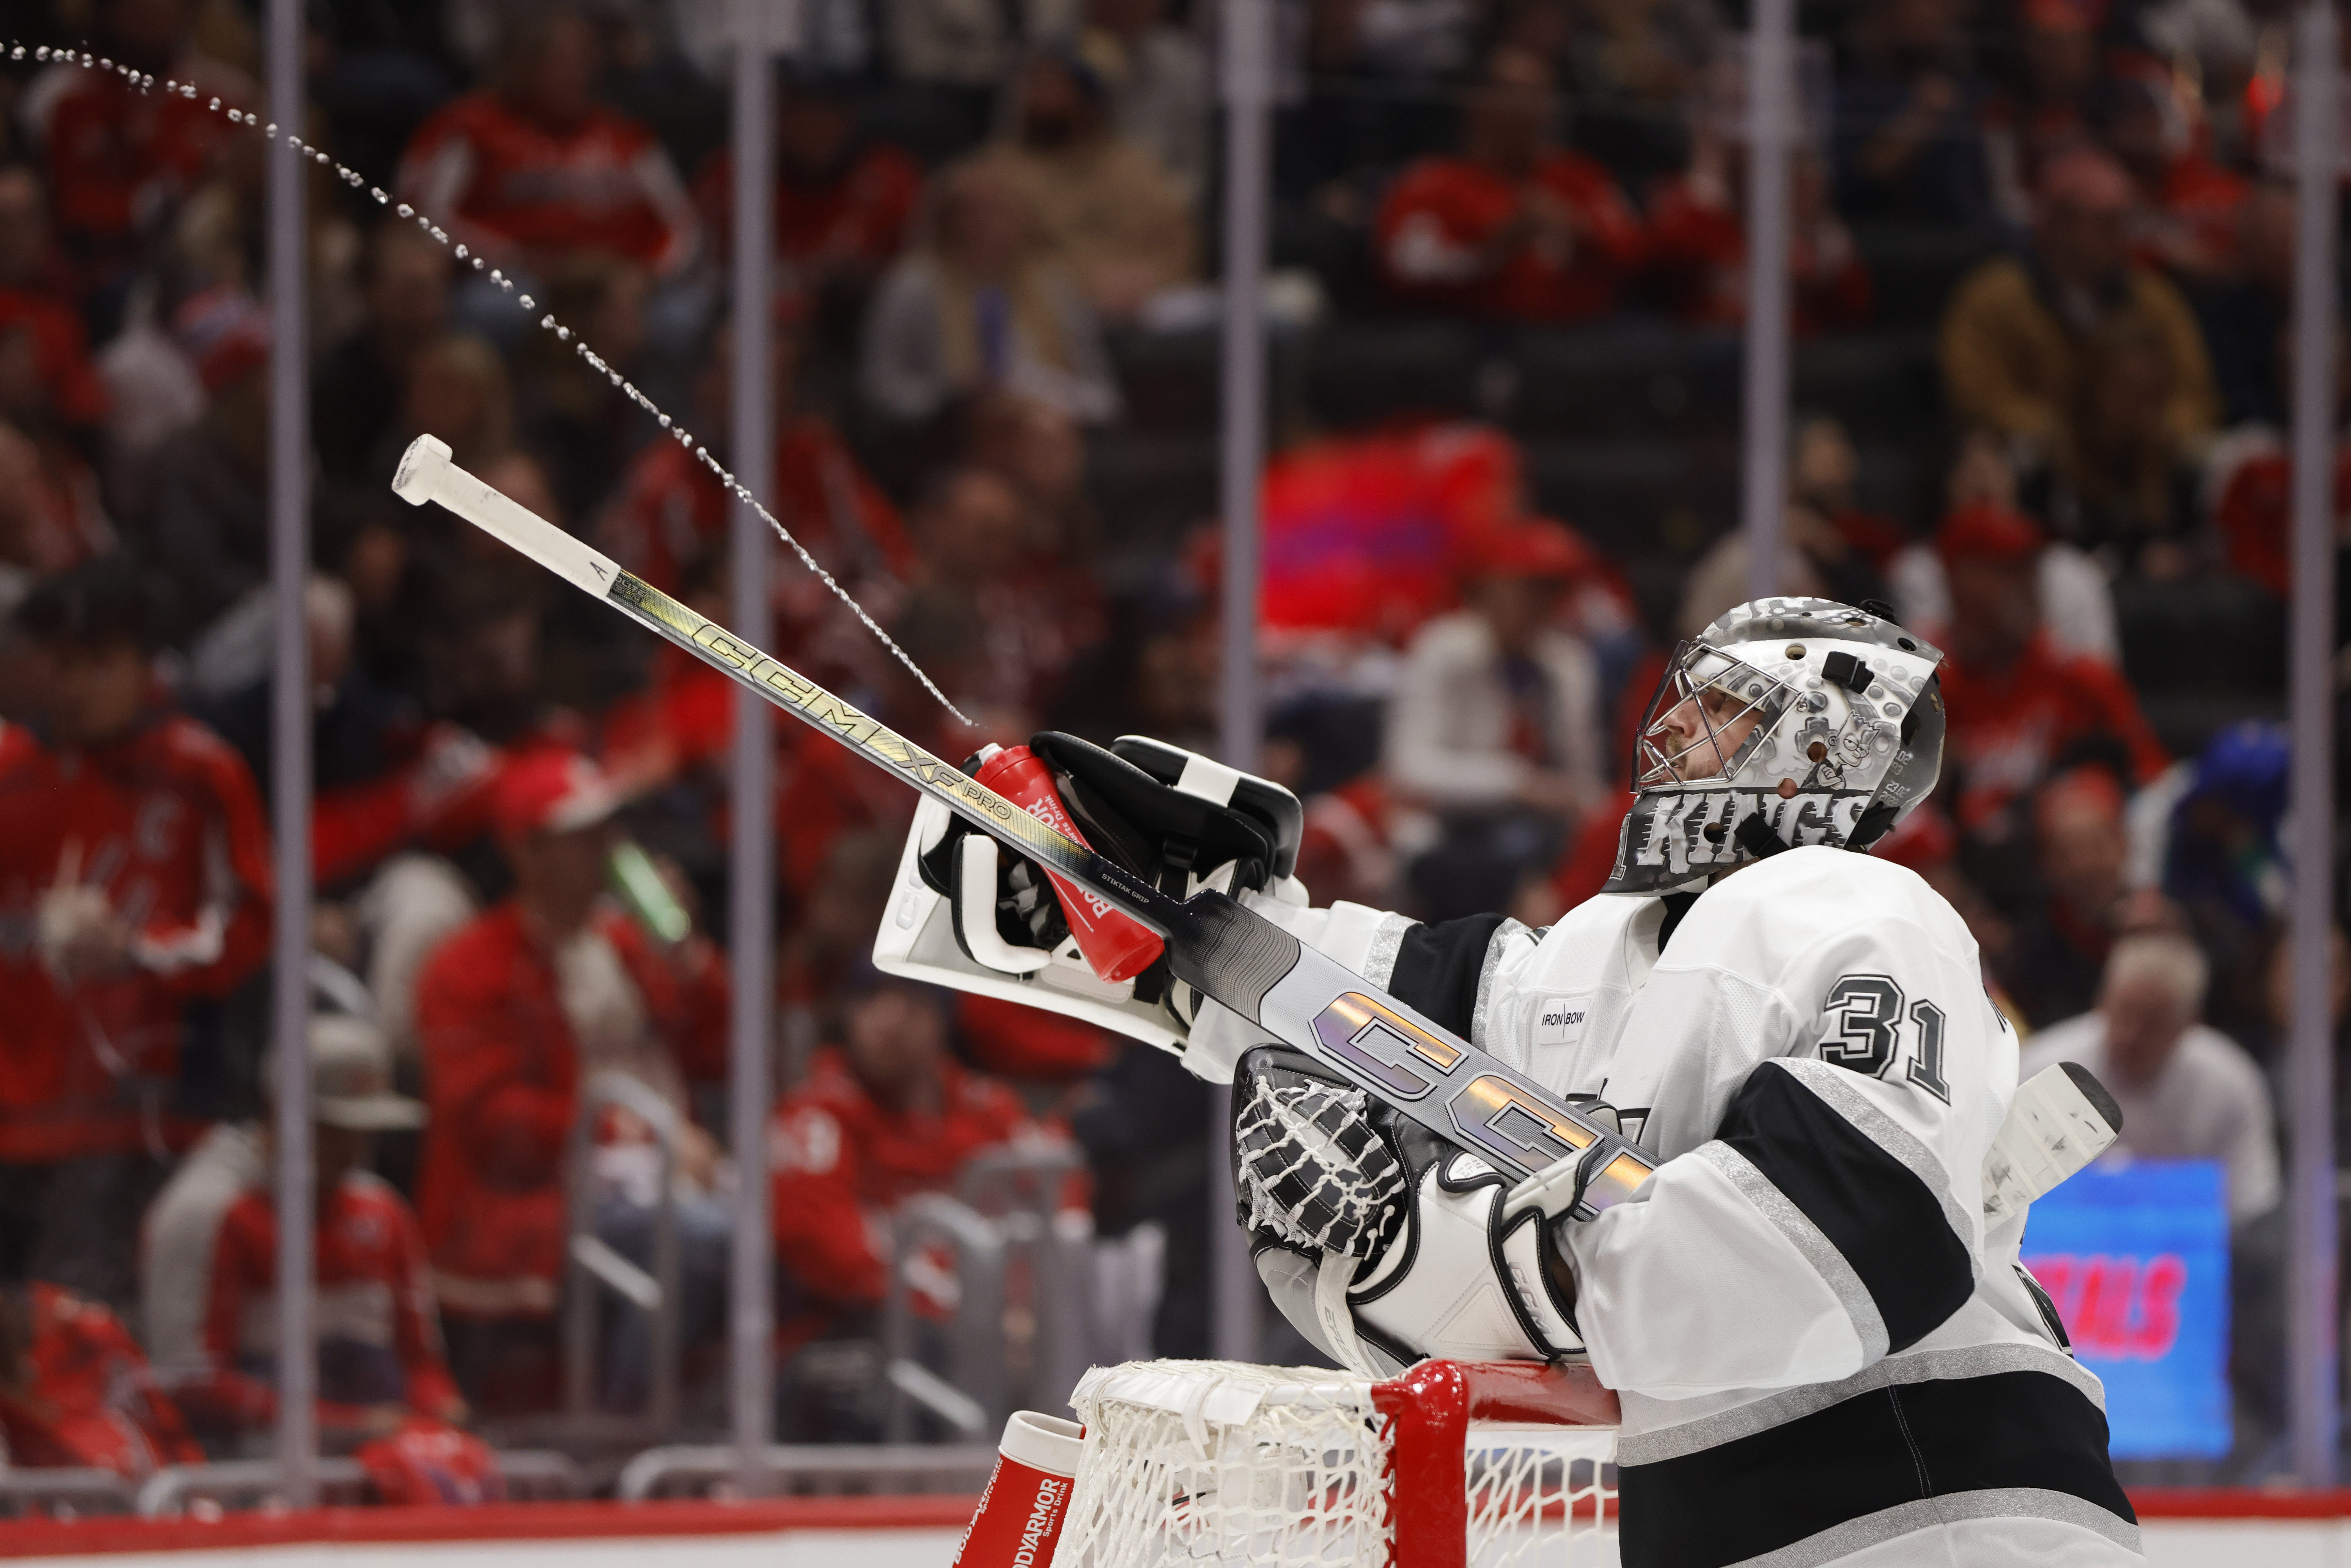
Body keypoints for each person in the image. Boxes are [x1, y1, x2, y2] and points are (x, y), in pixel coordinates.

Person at [908, 596, 2140, 1565]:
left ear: (1816, 750)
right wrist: (1165, 925)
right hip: (1736, 1532)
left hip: (1955, 1521)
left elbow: (1832, 1241)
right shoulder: (1609, 951)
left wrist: (1469, 1264)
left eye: (1718, 711)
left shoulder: (1848, 901)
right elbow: (1385, 1008)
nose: (1666, 732)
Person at [411, 750, 727, 1413]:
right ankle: (628, 1424)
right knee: (698, 1239)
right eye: (579, 837)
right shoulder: (470, 964)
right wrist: (632, 1133)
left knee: (776, 1231)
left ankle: (714, 1425)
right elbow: (490, 1119)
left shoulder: (627, 939)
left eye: (605, 831)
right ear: (528, 853)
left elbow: (723, 1052)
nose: (604, 850)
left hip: (672, 1167)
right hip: (545, 1192)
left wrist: (689, 954)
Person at [0, 559, 274, 1313]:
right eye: (61, 665)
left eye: (98, 664)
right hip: (15, 1111)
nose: (76, 687)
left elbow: (247, 927)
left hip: (141, 1112)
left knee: (87, 1328)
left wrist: (135, 952)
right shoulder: (10, 772)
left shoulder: (198, 772)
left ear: (144, 663)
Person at [164, 1015, 465, 1447]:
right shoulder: (221, 1215)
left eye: (362, 1131)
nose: (351, 1147)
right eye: (333, 1129)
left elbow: (420, 1361)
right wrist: (340, 1423)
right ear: (281, 1116)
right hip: (269, 1453)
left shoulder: (384, 1213)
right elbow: (198, 1380)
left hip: (383, 1439)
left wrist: (442, 1412)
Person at [1939, 148, 2220, 508]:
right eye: (2106, 222)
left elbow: (2195, 392)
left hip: (2143, 462)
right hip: (2038, 463)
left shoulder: (2153, 299)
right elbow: (1977, 397)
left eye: (2125, 221)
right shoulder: (1991, 298)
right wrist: (2073, 433)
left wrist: (2151, 428)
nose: (2121, 235)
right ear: (2056, 223)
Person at [1384, 519, 1606, 920]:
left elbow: (1582, 778)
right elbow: (1408, 770)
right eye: (1528, 587)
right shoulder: (1442, 651)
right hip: (1450, 834)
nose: (1540, 603)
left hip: (1544, 835)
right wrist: (1518, 784)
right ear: (1487, 588)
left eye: (1552, 590)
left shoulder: (1567, 663)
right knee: (1509, 855)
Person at [394, 6, 699, 284]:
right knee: (498, 310)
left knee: (679, 318)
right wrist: (509, 258)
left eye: (583, 61)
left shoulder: (626, 134)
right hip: (509, 280)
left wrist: (646, 275)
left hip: (613, 287)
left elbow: (682, 227)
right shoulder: (473, 126)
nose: (575, 74)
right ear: (524, 65)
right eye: (559, 61)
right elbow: (424, 216)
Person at [2022, 933, 2279, 1226]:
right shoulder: (2044, 1070)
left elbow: (2250, 1205)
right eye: (2124, 1011)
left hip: (2187, 1251)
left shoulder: (2231, 1083)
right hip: (2058, 1244)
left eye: (2152, 1022)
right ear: (2102, 1000)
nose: (2131, 1035)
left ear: (2189, 1023)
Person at [1373, 46, 1647, 321]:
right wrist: (1495, 250)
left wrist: (1579, 228)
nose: (1536, 107)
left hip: (1584, 336)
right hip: (1474, 335)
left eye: (1543, 94)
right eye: (1519, 93)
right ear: (1479, 101)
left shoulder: (1578, 175)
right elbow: (1408, 268)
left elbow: (1636, 250)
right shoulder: (1432, 181)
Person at [860, 160, 1119, 425]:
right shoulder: (915, 285)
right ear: (948, 218)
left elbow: (1103, 396)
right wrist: (948, 401)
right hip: (948, 432)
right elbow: (882, 387)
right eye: (974, 214)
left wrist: (1048, 397)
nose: (988, 226)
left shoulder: (1053, 287)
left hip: (1048, 426)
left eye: (1003, 212)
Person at [964, 43, 1199, 321]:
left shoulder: (1137, 174)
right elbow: (966, 263)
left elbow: (1180, 254)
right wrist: (1079, 283)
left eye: (1056, 83)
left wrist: (1145, 280)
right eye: (1034, 83)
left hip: (1129, 326)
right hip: (1030, 325)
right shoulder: (990, 176)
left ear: (1090, 97)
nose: (1039, 95)